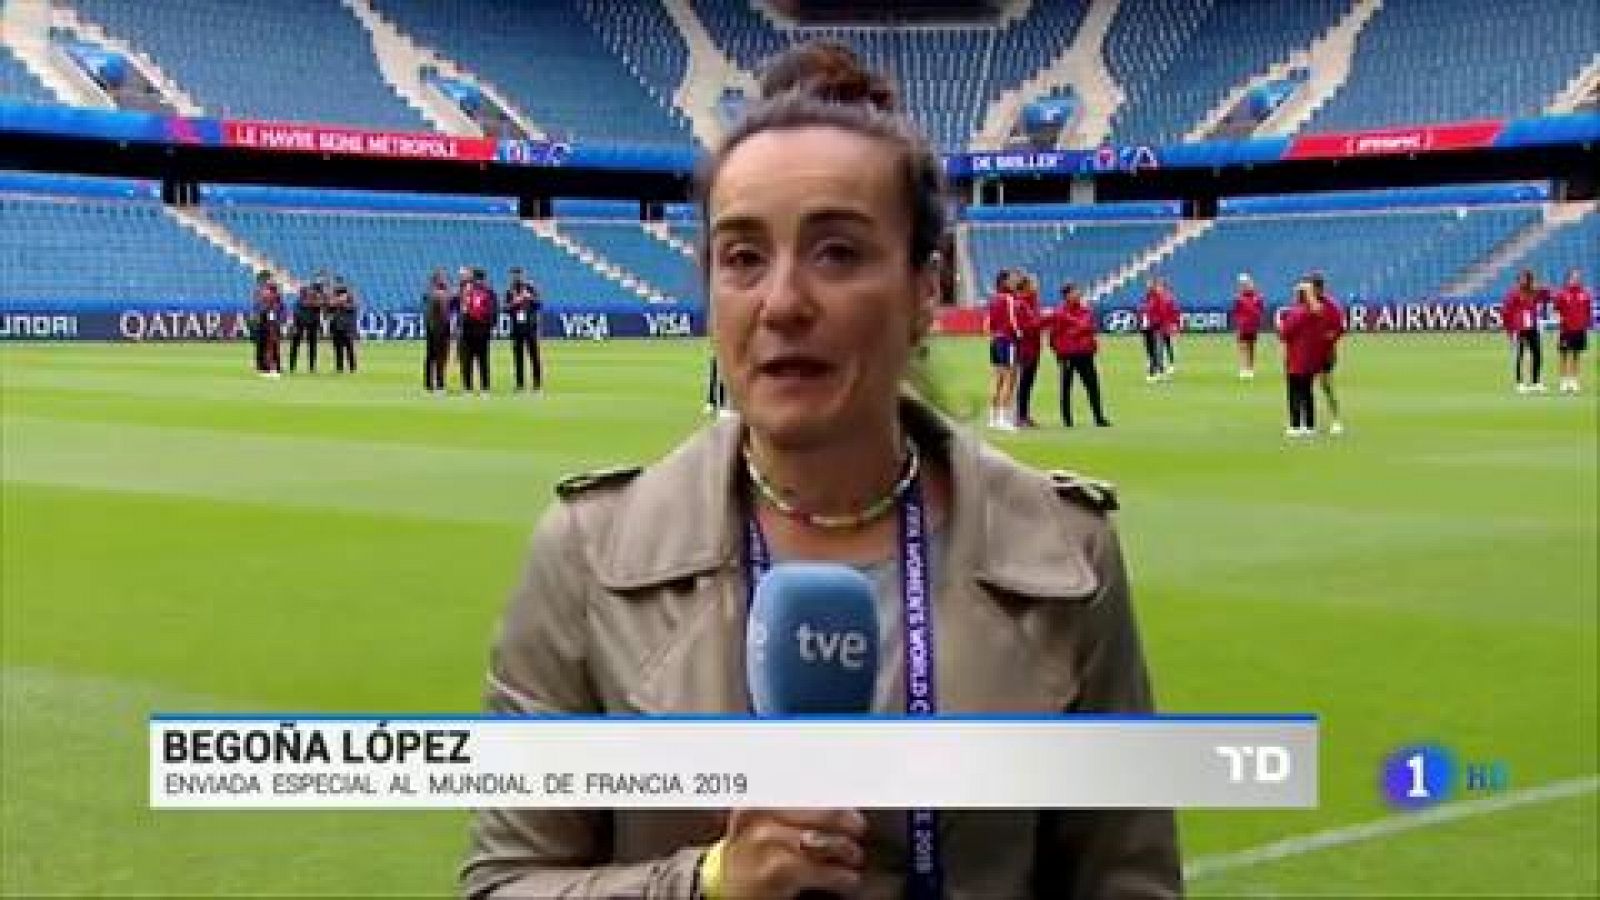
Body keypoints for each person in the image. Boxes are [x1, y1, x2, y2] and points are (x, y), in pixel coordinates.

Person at [462, 39, 1181, 899]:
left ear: (927, 288)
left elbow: (1128, 882)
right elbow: (504, 885)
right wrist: (710, 882)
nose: (783, 302)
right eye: (742, 257)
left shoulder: (1066, 555)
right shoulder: (588, 554)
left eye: (838, 252)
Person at [1047, 282, 1111, 427]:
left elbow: (1089, 326)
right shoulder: (1059, 312)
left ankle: (1099, 417)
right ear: (1067, 295)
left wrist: (1072, 332)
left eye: (1078, 291)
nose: (1079, 293)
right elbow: (1054, 335)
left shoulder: (1085, 310)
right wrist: (1059, 351)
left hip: (1085, 353)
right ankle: (1067, 420)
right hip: (1067, 354)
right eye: (1075, 291)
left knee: (1092, 385)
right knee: (1066, 386)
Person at [1279, 280, 1325, 438]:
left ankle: (1295, 425)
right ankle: (1310, 425)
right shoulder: (1317, 311)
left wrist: (1280, 323)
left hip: (1296, 357)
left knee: (1294, 391)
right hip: (1311, 357)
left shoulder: (1296, 312)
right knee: (1307, 391)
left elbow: (1285, 334)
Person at [1308, 272, 1345, 434]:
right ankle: (1307, 421)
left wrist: (1329, 337)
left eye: (1312, 287)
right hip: (1306, 352)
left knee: (1326, 386)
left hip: (1325, 353)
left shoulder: (1331, 306)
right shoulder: (1306, 304)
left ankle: (1336, 419)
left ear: (1318, 287)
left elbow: (1340, 329)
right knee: (1304, 387)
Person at [1500, 268, 1547, 394]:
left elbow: (1548, 296)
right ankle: (1520, 383)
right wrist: (1510, 331)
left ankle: (1536, 382)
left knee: (1537, 354)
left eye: (1526, 278)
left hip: (1532, 327)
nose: (1523, 280)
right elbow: (1506, 312)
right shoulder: (1513, 294)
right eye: (1521, 278)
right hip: (1519, 329)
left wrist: (1542, 287)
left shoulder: (1534, 292)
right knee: (1519, 356)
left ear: (1529, 279)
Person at [984, 269, 1020, 429]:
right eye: (1012, 279)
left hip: (995, 340)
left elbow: (987, 323)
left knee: (997, 379)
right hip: (1007, 340)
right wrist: (1019, 333)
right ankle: (1003, 418)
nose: (1015, 282)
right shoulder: (1008, 299)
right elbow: (1012, 321)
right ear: (1005, 282)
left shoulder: (993, 299)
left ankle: (992, 417)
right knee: (1009, 379)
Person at [458, 267, 496, 394]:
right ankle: (484, 387)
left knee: (468, 359)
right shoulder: (487, 292)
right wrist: (489, 327)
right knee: (482, 359)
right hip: (480, 330)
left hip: (470, 329)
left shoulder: (469, 291)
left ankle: (469, 388)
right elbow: (493, 312)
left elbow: (463, 309)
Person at [505, 266, 543, 393]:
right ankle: (520, 384)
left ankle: (537, 384)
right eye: (514, 275)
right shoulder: (510, 291)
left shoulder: (531, 288)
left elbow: (539, 304)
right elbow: (505, 309)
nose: (516, 277)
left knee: (534, 356)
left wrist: (529, 297)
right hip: (516, 328)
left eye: (518, 275)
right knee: (518, 357)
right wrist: (514, 303)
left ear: (523, 275)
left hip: (530, 327)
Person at [1013, 271, 1043, 428]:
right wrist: (1046, 320)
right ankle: (1020, 416)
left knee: (1028, 382)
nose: (1037, 286)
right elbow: (1027, 326)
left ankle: (1024, 415)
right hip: (1026, 348)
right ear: (1026, 286)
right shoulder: (1021, 304)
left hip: (1034, 347)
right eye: (1034, 284)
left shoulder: (1032, 303)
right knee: (1024, 382)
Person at [1554, 268, 1591, 393]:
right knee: (1564, 355)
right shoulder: (1562, 294)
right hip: (1566, 330)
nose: (1576, 279)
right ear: (1568, 279)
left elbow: (1588, 311)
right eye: (1573, 277)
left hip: (1580, 329)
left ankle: (1574, 381)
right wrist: (1561, 321)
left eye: (1578, 277)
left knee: (1576, 355)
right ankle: (1564, 381)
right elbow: (1556, 310)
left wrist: (1585, 323)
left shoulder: (1585, 294)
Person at [422, 268, 453, 393]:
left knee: (431, 356)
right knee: (440, 356)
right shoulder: (439, 294)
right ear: (438, 279)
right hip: (440, 329)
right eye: (443, 277)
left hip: (432, 327)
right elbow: (444, 311)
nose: (445, 279)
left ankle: (429, 384)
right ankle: (439, 384)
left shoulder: (430, 293)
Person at [289, 272, 325, 374]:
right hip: (301, 320)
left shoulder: (320, 293)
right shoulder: (308, 292)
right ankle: (292, 366)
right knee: (297, 343)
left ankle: (311, 367)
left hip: (312, 321)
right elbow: (306, 303)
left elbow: (322, 305)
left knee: (311, 344)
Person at [250, 270, 283, 378]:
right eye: (269, 279)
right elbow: (258, 307)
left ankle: (275, 367)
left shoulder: (276, 294)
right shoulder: (259, 292)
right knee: (263, 345)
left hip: (272, 323)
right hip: (263, 322)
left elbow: (280, 307)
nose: (271, 281)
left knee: (273, 344)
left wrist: (278, 316)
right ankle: (264, 367)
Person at [1232, 273, 1264, 380]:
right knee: (1242, 347)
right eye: (1243, 284)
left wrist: (1257, 323)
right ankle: (1243, 369)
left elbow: (1260, 311)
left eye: (1247, 284)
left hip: (1253, 327)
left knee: (1251, 348)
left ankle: (1250, 369)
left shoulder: (1258, 297)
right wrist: (1238, 325)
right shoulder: (1238, 299)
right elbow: (1236, 313)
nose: (1245, 286)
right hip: (1242, 327)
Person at [1137, 277, 1168, 382]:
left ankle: (1155, 372)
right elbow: (1141, 311)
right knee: (1150, 350)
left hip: (1156, 327)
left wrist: (1161, 324)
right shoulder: (1146, 298)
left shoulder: (1158, 298)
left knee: (1157, 349)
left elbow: (1162, 312)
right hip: (1146, 328)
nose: (1148, 286)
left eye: (1150, 284)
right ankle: (1159, 370)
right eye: (1147, 284)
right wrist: (1141, 322)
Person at [327, 277, 359, 374]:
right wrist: (334, 302)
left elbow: (353, 307)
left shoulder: (350, 297)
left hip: (347, 326)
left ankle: (352, 368)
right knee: (338, 348)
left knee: (349, 347)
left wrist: (341, 302)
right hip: (336, 326)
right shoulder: (333, 297)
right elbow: (329, 309)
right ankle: (339, 368)